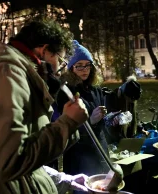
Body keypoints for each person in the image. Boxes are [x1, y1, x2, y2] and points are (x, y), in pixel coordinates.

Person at [0, 18, 90, 194]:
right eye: (59, 60)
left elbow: (18, 152)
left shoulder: (4, 69)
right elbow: (9, 162)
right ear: (44, 50)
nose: (59, 69)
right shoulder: (6, 74)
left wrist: (62, 180)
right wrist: (68, 123)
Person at [56, 40, 109, 193]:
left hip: (99, 151)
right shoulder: (66, 93)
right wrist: (90, 121)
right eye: (79, 65)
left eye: (87, 64)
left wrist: (109, 119)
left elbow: (101, 125)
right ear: (71, 67)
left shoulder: (96, 90)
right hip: (79, 155)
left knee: (102, 188)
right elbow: (66, 128)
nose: (84, 69)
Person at [102, 75, 142, 144]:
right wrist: (121, 141)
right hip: (112, 138)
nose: (131, 102)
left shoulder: (131, 100)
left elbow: (135, 116)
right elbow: (110, 125)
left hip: (125, 137)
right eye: (130, 100)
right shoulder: (110, 99)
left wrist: (141, 128)